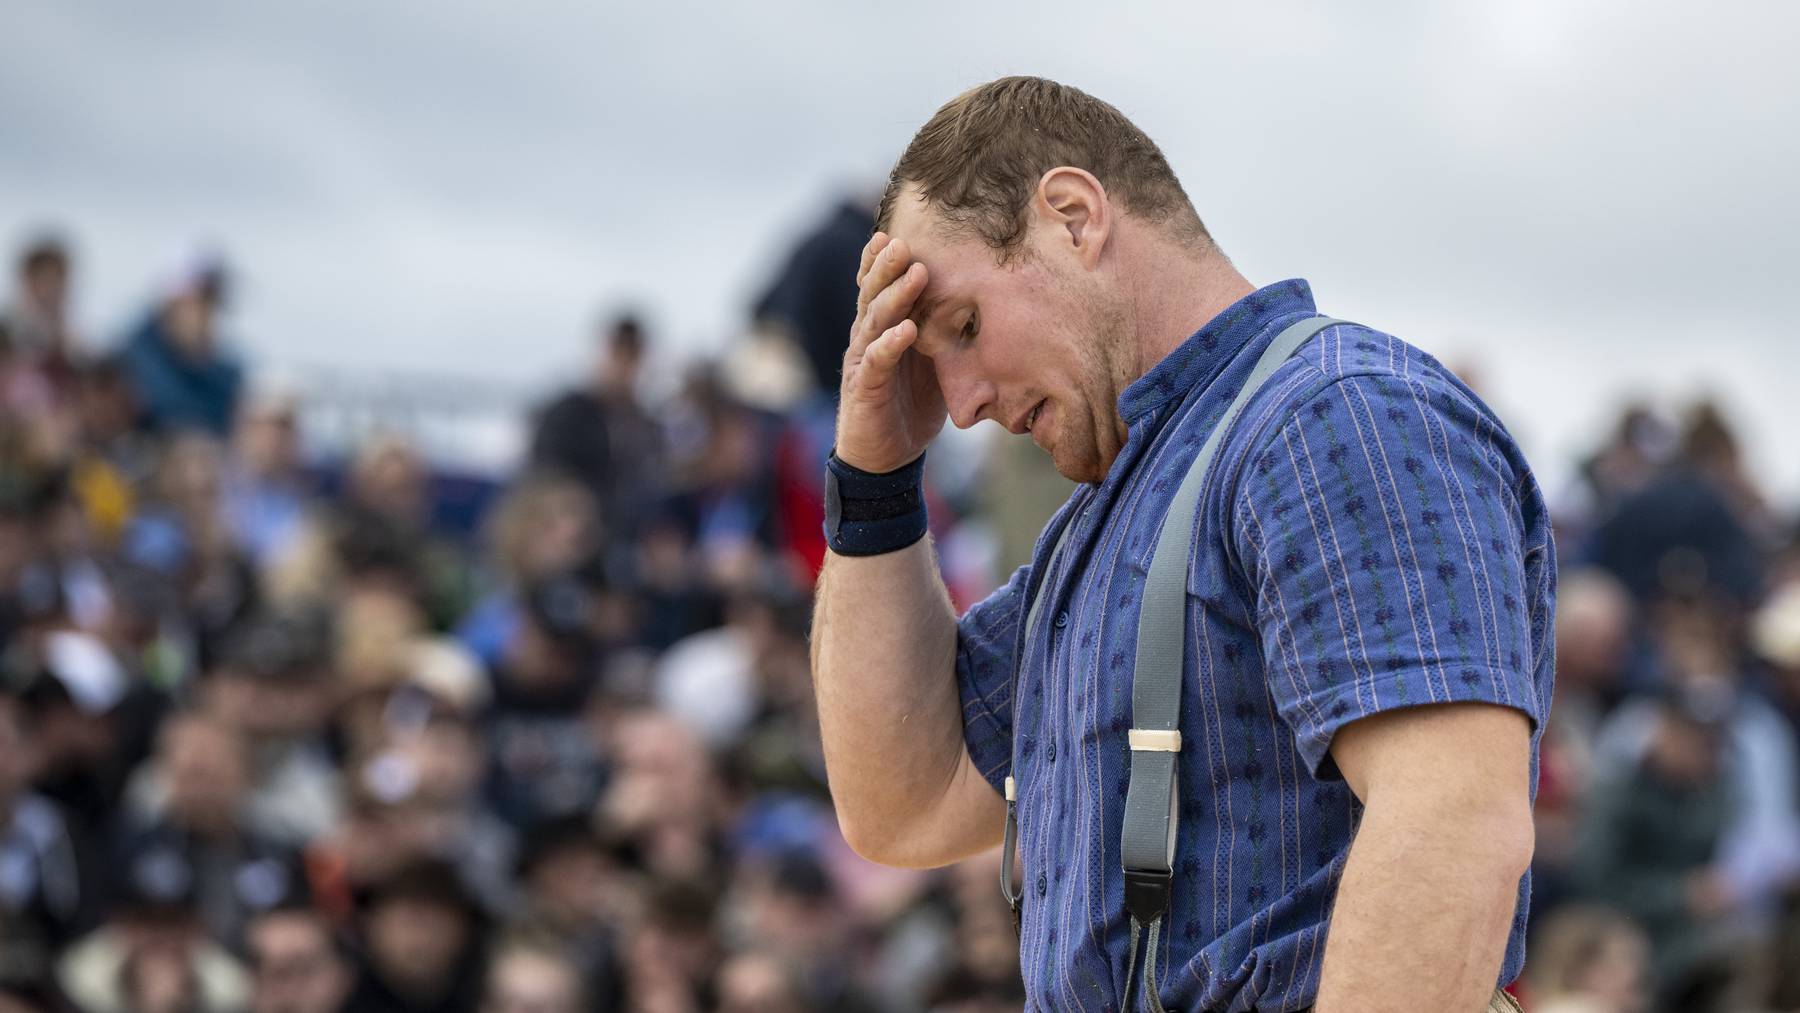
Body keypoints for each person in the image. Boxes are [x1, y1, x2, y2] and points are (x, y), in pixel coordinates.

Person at [810, 76, 1554, 1011]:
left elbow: (1452, 824)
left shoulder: (1336, 414)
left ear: (1074, 218)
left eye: (964, 327)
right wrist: (874, 479)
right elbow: (904, 804)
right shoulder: (1105, 521)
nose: (960, 408)